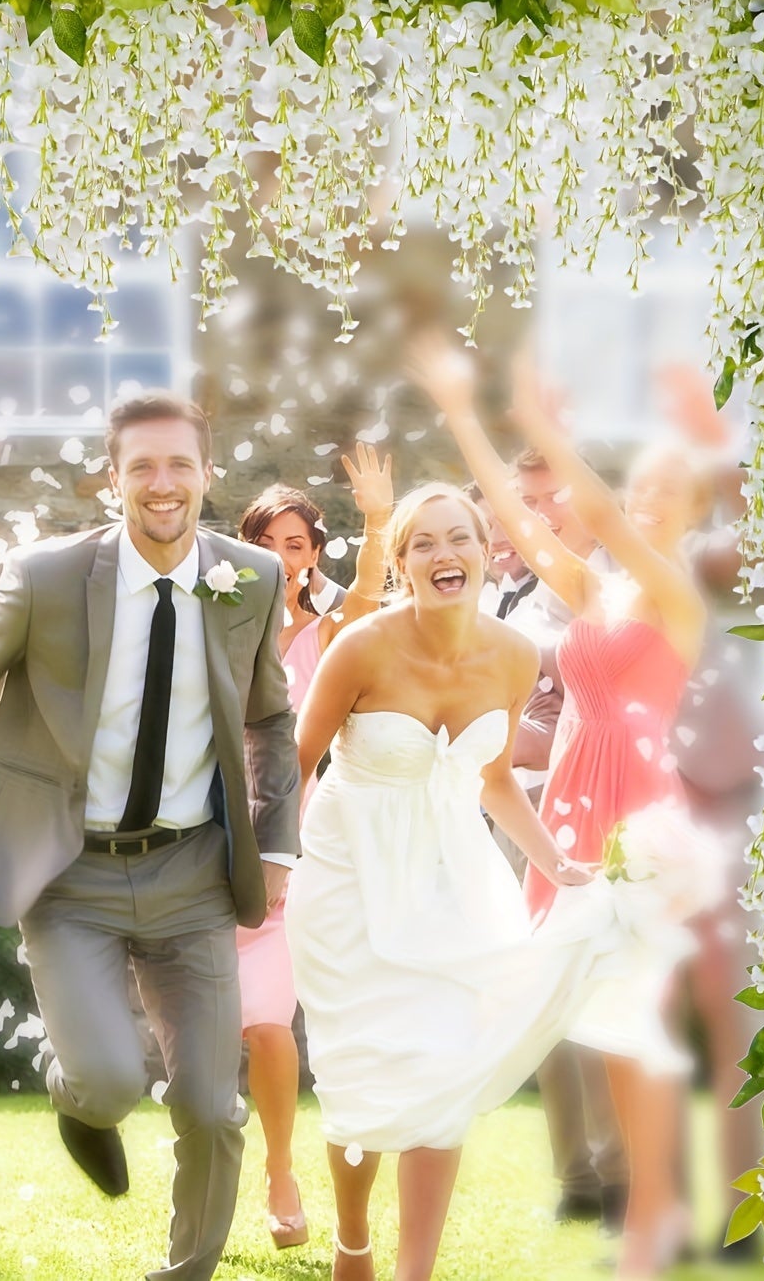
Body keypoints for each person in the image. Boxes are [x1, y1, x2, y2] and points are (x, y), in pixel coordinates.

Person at [0, 390, 299, 1281]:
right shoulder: (46, 576)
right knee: (109, 1081)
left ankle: (187, 1272)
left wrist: (278, 838)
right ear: (112, 480)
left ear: (207, 474)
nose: (162, 482)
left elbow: (269, 719)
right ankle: (78, 1098)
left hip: (194, 872)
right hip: (72, 876)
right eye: (140, 465)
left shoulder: (250, 578)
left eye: (180, 462)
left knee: (215, 1108)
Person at [416, 339, 709, 1278]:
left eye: (668, 495)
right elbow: (524, 528)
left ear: (694, 511)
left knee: (629, 1015)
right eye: (644, 489)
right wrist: (467, 416)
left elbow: (595, 518)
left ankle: (654, 1213)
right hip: (575, 807)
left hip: (640, 817)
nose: (646, 505)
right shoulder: (599, 586)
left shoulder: (675, 591)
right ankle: (648, 1212)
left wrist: (543, 426)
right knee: (604, 1017)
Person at [284, 483, 615, 1281]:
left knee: (443, 1066)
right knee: (361, 1068)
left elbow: (495, 780)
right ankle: (354, 1240)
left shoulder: (512, 654)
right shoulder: (359, 647)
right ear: (400, 563)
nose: (445, 554)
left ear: (483, 550)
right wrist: (275, 873)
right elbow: (295, 767)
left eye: (458, 538)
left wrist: (564, 868)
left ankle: (414, 1273)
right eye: (424, 543)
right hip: (348, 873)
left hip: (451, 875)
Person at [233, 445, 394, 1249]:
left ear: (311, 557)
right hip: (192, 840)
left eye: (293, 545)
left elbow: (369, 592)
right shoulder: (208, 622)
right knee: (202, 1035)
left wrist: (376, 520)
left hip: (281, 849)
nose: (278, 558)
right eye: (263, 544)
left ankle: (280, 1170)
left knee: (267, 1020)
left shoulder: (331, 632)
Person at [474, 465, 631, 1231]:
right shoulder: (497, 596)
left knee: (607, 985)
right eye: (521, 504)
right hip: (524, 818)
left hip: (612, 813)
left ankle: (623, 1168)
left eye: (546, 500)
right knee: (543, 993)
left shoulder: (628, 587)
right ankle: (578, 1173)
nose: (529, 518)